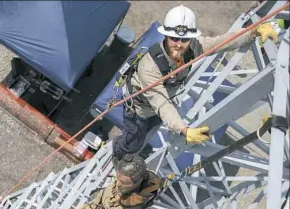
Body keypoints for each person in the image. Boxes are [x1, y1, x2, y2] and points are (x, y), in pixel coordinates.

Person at [112, 5, 278, 162]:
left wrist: (252, 32)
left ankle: (139, 143)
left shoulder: (193, 48)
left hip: (159, 103)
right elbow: (161, 103)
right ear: (165, 36)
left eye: (184, 39)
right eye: (174, 38)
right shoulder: (149, 67)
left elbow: (222, 42)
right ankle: (118, 154)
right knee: (133, 140)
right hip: (138, 110)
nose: (179, 44)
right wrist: (183, 130)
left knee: (152, 127)